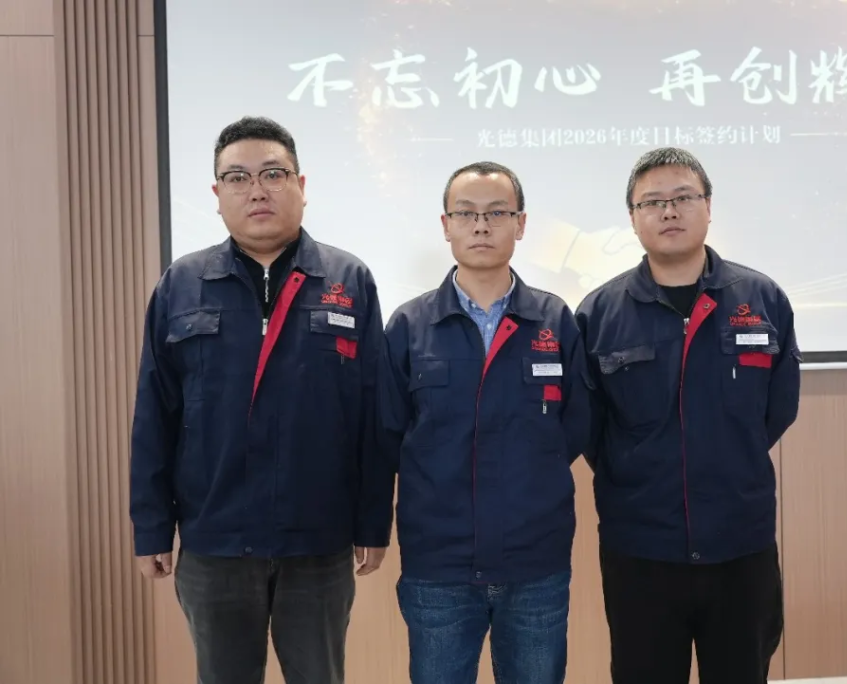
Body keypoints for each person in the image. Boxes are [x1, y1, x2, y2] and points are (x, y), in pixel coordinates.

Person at [128, 116, 392, 684]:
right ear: (217, 193)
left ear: (301, 184)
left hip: (318, 539)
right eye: (238, 177)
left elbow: (374, 414)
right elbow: (155, 413)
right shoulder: (182, 283)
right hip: (215, 539)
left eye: (273, 174)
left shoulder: (349, 279)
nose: (257, 190)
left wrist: (373, 522)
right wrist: (151, 526)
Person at [575, 147, 801, 684]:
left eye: (683, 197)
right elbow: (590, 427)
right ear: (633, 218)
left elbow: (778, 408)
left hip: (740, 543)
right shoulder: (599, 313)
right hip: (641, 548)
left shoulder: (761, 298)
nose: (669, 211)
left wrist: (726, 456)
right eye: (652, 202)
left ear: (708, 207)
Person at [378, 161, 591, 684]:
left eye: (497, 213)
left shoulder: (554, 320)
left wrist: (529, 472)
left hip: (535, 561)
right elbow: (388, 432)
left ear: (520, 224)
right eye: (466, 213)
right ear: (445, 225)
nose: (480, 226)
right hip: (439, 565)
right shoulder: (409, 325)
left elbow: (576, 426)